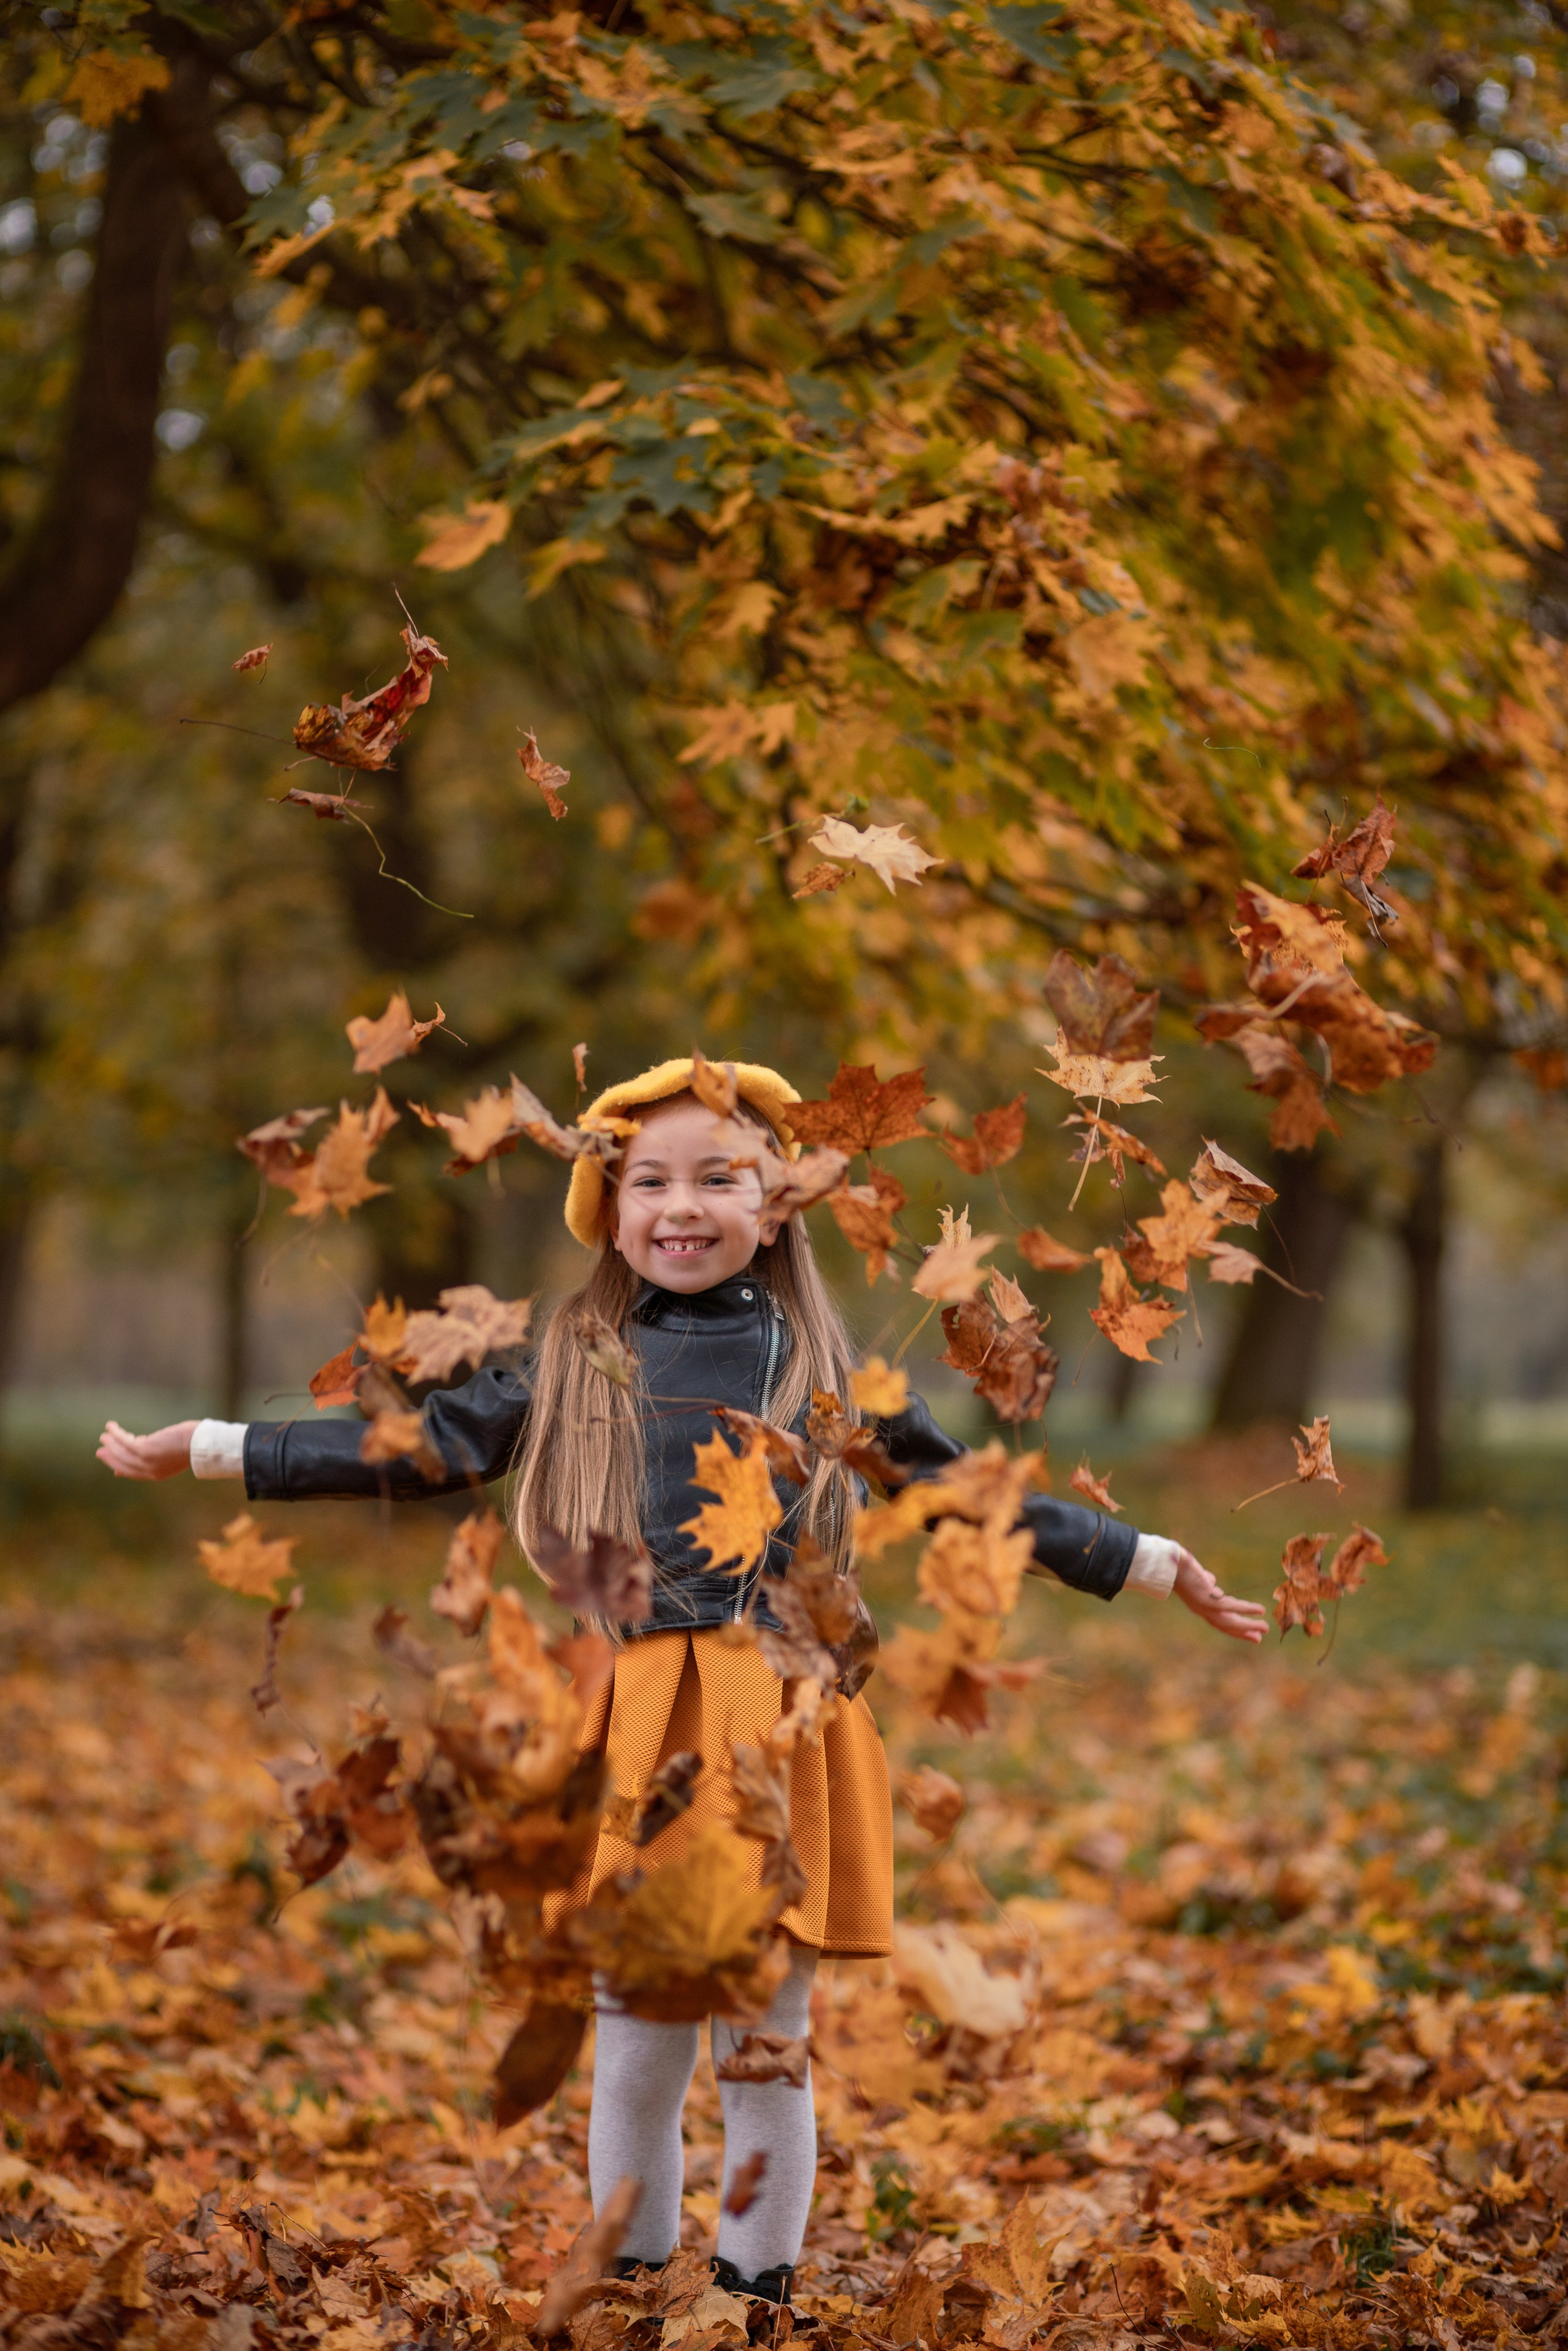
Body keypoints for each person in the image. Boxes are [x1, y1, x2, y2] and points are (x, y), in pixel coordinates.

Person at [99, 1056, 1268, 2302]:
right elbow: (425, 1445)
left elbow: (960, 1495)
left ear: (775, 1203)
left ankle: (749, 2307)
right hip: (641, 1734)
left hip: (784, 1727)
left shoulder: (815, 1368)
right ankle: (636, 2289)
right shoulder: (580, 1355)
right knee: (636, 2050)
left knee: (764, 2051)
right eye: (649, 1179)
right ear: (609, 1207)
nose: (681, 1204)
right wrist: (223, 1447)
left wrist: (1143, 1558)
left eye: (719, 1176)